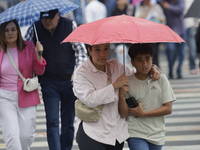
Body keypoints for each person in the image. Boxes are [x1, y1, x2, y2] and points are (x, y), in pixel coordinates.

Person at [73, 43, 161, 150]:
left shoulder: (116, 66)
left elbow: (137, 76)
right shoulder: (81, 72)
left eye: (106, 49)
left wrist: (152, 68)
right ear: (89, 50)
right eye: (97, 49)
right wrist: (114, 86)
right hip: (92, 131)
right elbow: (90, 99)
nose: (102, 54)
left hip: (116, 133)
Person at [25, 9, 88, 150]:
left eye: (50, 18)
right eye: (44, 18)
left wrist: (76, 73)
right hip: (48, 82)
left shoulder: (70, 25)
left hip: (69, 80)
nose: (46, 21)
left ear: (58, 15)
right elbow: (25, 53)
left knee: (68, 123)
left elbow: (81, 52)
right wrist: (35, 52)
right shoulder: (34, 29)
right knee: (52, 122)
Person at [118, 43, 176, 150]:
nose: (144, 63)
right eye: (139, 60)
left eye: (147, 59)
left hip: (157, 133)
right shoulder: (127, 82)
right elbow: (124, 113)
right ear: (132, 62)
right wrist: (121, 96)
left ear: (152, 59)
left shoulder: (161, 79)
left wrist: (144, 114)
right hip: (136, 133)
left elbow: (168, 108)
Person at [0, 19, 46, 150]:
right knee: (12, 137)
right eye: (6, 30)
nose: (10, 33)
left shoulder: (29, 47)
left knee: (26, 136)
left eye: (13, 29)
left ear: (18, 31)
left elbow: (39, 71)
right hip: (4, 98)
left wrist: (39, 55)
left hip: (26, 95)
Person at [135, 0, 166, 68]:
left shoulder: (156, 7)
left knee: (155, 53)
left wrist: (157, 19)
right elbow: (137, 18)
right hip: (145, 34)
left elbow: (163, 19)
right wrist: (148, 9)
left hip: (155, 33)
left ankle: (156, 69)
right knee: (147, 53)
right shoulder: (140, 7)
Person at [160, 0, 186, 79]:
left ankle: (179, 70)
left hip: (181, 30)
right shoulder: (162, 2)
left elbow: (180, 10)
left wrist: (169, 7)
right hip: (169, 31)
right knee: (170, 50)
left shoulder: (180, 1)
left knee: (181, 52)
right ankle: (171, 70)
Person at [184, 0, 198, 74]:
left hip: (190, 26)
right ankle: (176, 69)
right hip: (180, 27)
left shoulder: (191, 1)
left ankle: (192, 66)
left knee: (192, 48)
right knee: (179, 51)